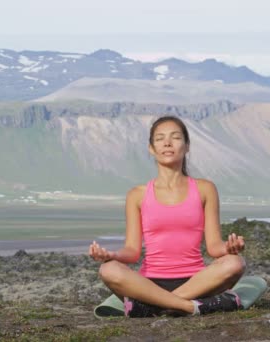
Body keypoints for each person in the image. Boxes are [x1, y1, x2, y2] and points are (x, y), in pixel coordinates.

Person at [89, 115, 246, 317]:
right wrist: (111, 256)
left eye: (175, 137)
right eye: (160, 138)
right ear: (151, 148)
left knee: (235, 263)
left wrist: (230, 248)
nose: (167, 143)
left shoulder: (205, 189)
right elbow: (132, 251)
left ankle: (153, 307)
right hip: (149, 282)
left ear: (187, 146)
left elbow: (215, 247)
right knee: (108, 270)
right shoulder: (137, 195)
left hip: (196, 281)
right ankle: (192, 306)